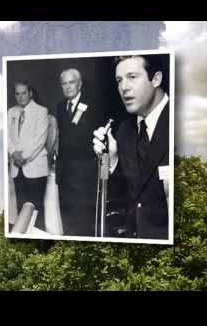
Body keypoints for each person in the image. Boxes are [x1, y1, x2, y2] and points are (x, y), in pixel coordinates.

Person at [93, 54, 170, 239]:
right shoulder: (124, 131)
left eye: (132, 77)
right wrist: (109, 162)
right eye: (119, 80)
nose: (124, 87)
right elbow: (125, 197)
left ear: (156, 79)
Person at [55, 68, 105, 236]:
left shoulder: (93, 104)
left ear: (80, 84)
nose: (68, 87)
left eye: (71, 82)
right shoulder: (60, 108)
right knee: (67, 225)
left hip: (85, 178)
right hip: (64, 178)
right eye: (64, 83)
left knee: (84, 225)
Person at [8, 81, 49, 231]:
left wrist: (23, 156)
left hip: (35, 168)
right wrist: (13, 153)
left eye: (23, 93)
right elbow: (8, 137)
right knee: (21, 209)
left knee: (36, 209)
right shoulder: (11, 112)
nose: (20, 97)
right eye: (17, 94)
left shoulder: (41, 111)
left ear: (30, 93)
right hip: (17, 169)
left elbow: (40, 139)